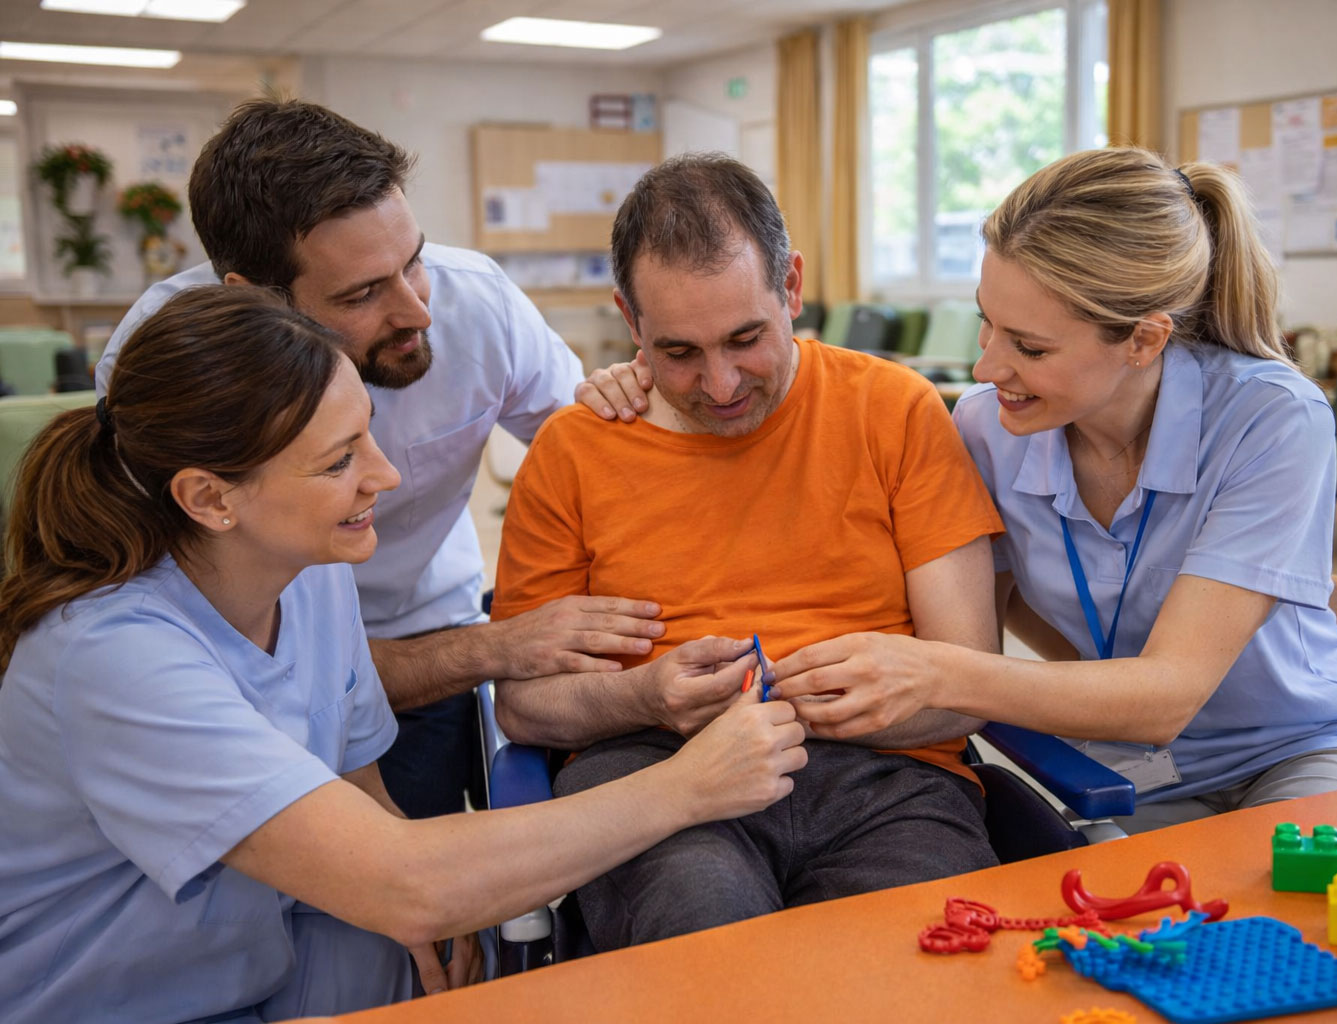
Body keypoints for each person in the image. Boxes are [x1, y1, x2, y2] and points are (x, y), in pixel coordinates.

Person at [0, 287, 805, 1024]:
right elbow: (405, 881)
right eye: (339, 461)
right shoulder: (110, 659)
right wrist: (691, 787)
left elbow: (357, 781)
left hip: (282, 950)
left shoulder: (308, 576)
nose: (382, 477)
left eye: (368, 439)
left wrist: (429, 908)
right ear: (210, 498)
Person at [756, 147, 1337, 832]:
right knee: (1094, 925)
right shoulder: (987, 428)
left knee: (1272, 911)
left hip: (1297, 750)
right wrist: (649, 384)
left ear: (1143, 340)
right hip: (1134, 770)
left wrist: (935, 671)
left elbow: (1167, 697)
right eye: (986, 320)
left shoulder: (1272, 418)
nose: (987, 364)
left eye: (1029, 348)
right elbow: (996, 603)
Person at [490, 154, 1006, 951]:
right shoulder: (574, 451)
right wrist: (645, 698)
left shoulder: (892, 410)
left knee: (909, 963)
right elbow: (523, 707)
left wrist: (859, 704)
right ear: (631, 322)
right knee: (706, 932)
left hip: (886, 777)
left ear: (792, 287)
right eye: (679, 353)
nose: (722, 383)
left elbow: (970, 677)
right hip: (653, 769)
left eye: (745, 338)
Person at [95, 99, 656, 819]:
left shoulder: (475, 307)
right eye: (361, 293)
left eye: (414, 261)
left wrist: (627, 401)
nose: (418, 311)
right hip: (245, 663)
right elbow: (225, 654)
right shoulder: (170, 367)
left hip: (423, 633)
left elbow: (596, 460)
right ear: (251, 303)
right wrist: (497, 650)